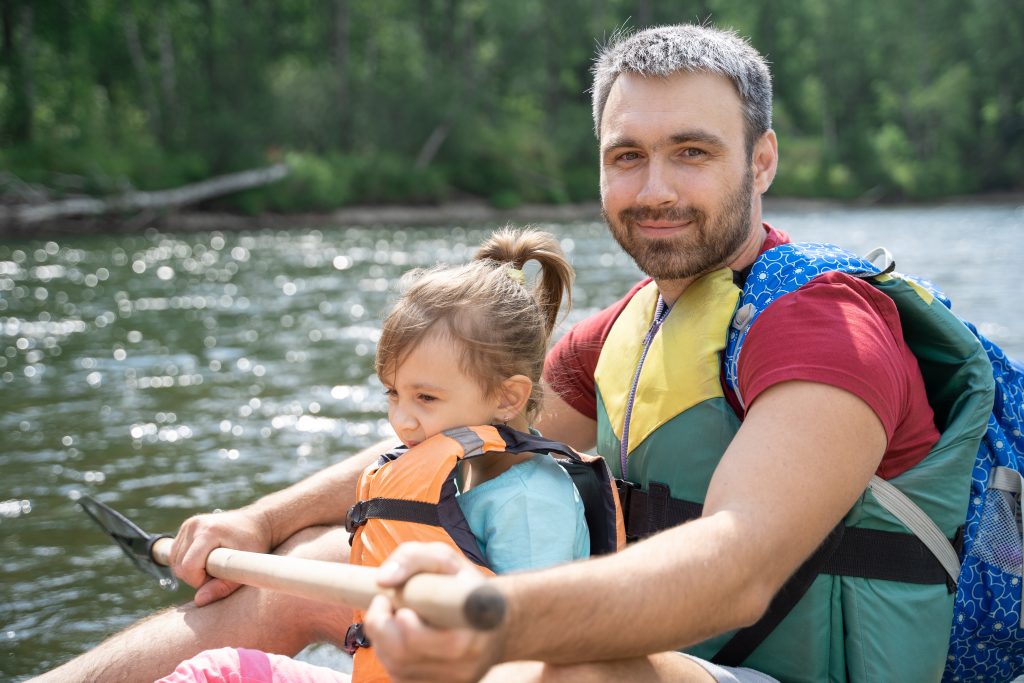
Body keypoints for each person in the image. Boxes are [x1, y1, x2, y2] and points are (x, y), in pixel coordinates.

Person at [35, 23, 982, 683]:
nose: (655, 187)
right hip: (673, 659)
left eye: (693, 152)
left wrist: (490, 618)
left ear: (761, 161)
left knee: (551, 658)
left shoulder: (828, 324)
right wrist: (257, 514)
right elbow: (453, 439)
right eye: (627, 156)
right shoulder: (624, 332)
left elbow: (737, 566)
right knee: (333, 549)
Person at [154, 228, 607, 682]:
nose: (402, 421)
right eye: (394, 393)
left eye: (426, 398)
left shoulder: (530, 499)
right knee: (217, 672)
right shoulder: (451, 473)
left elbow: (537, 652)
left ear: (508, 398)